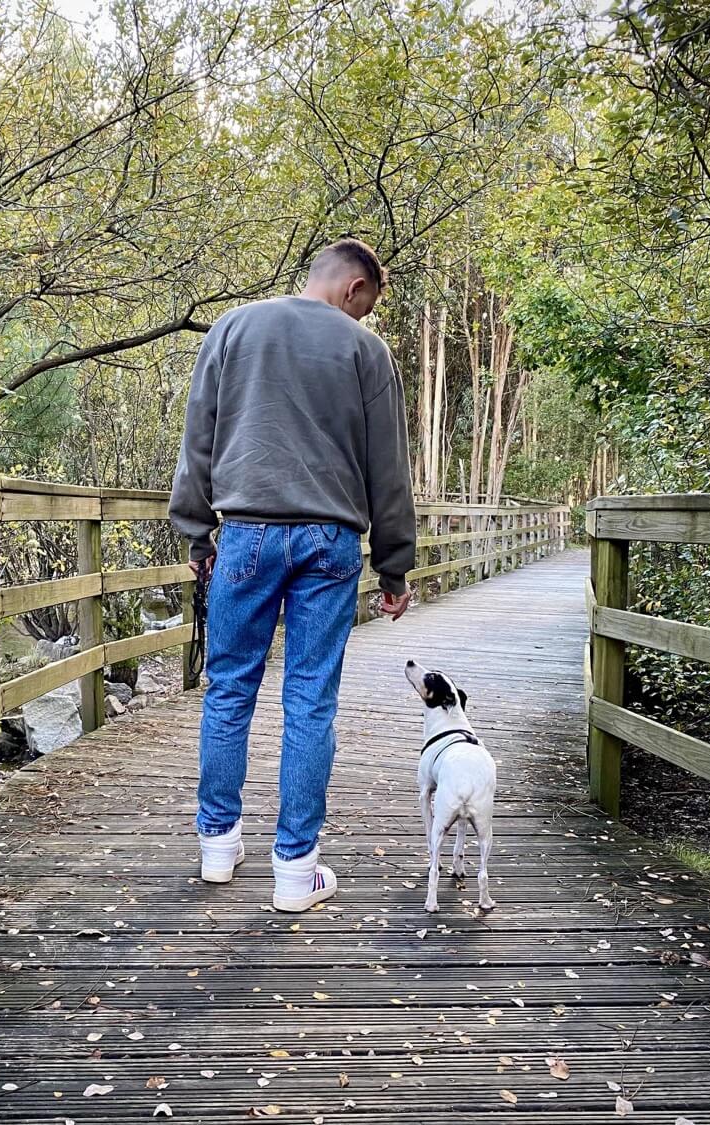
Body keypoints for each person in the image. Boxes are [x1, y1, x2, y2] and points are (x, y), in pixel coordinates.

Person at [168, 236, 417, 912]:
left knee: (228, 689)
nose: (362, 319)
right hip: (329, 542)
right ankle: (294, 870)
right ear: (352, 289)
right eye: (365, 306)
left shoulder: (233, 328)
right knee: (309, 698)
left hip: (245, 532)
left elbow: (200, 437)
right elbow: (387, 466)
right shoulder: (366, 352)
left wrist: (196, 531)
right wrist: (394, 562)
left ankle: (218, 845)